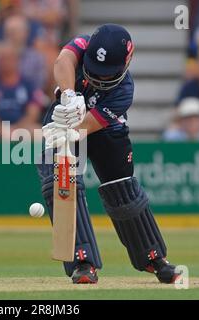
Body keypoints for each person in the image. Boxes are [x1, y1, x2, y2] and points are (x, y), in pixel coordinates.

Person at [38, 24, 181, 284]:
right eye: (94, 70)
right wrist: (69, 95)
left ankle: (153, 258)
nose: (97, 77)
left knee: (122, 189)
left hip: (101, 128)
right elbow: (63, 60)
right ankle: (83, 262)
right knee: (57, 180)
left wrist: (70, 129)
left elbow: (87, 128)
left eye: (105, 74)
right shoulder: (81, 45)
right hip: (63, 116)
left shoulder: (123, 92)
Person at [0, 44, 43, 140]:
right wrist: (2, 129)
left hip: (23, 126)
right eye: (3, 59)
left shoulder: (28, 85)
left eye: (9, 59)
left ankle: (36, 155)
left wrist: (16, 128)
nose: (6, 63)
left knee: (38, 131)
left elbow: (33, 113)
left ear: (17, 61)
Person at [2, 14, 47, 89]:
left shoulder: (36, 58)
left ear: (25, 33)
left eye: (14, 31)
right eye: (8, 32)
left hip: (28, 97)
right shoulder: (0, 58)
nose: (10, 35)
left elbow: (39, 85)